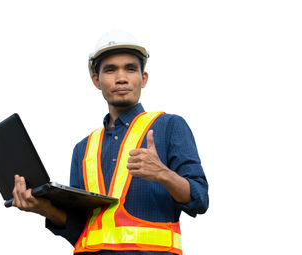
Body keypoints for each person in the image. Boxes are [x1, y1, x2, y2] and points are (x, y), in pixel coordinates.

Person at [11, 30, 209, 255]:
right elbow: (81, 230)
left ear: (143, 78)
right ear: (96, 80)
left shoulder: (169, 126)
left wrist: (162, 173)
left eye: (130, 68)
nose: (121, 77)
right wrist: (44, 208)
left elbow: (200, 199)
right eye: (110, 70)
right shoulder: (83, 149)